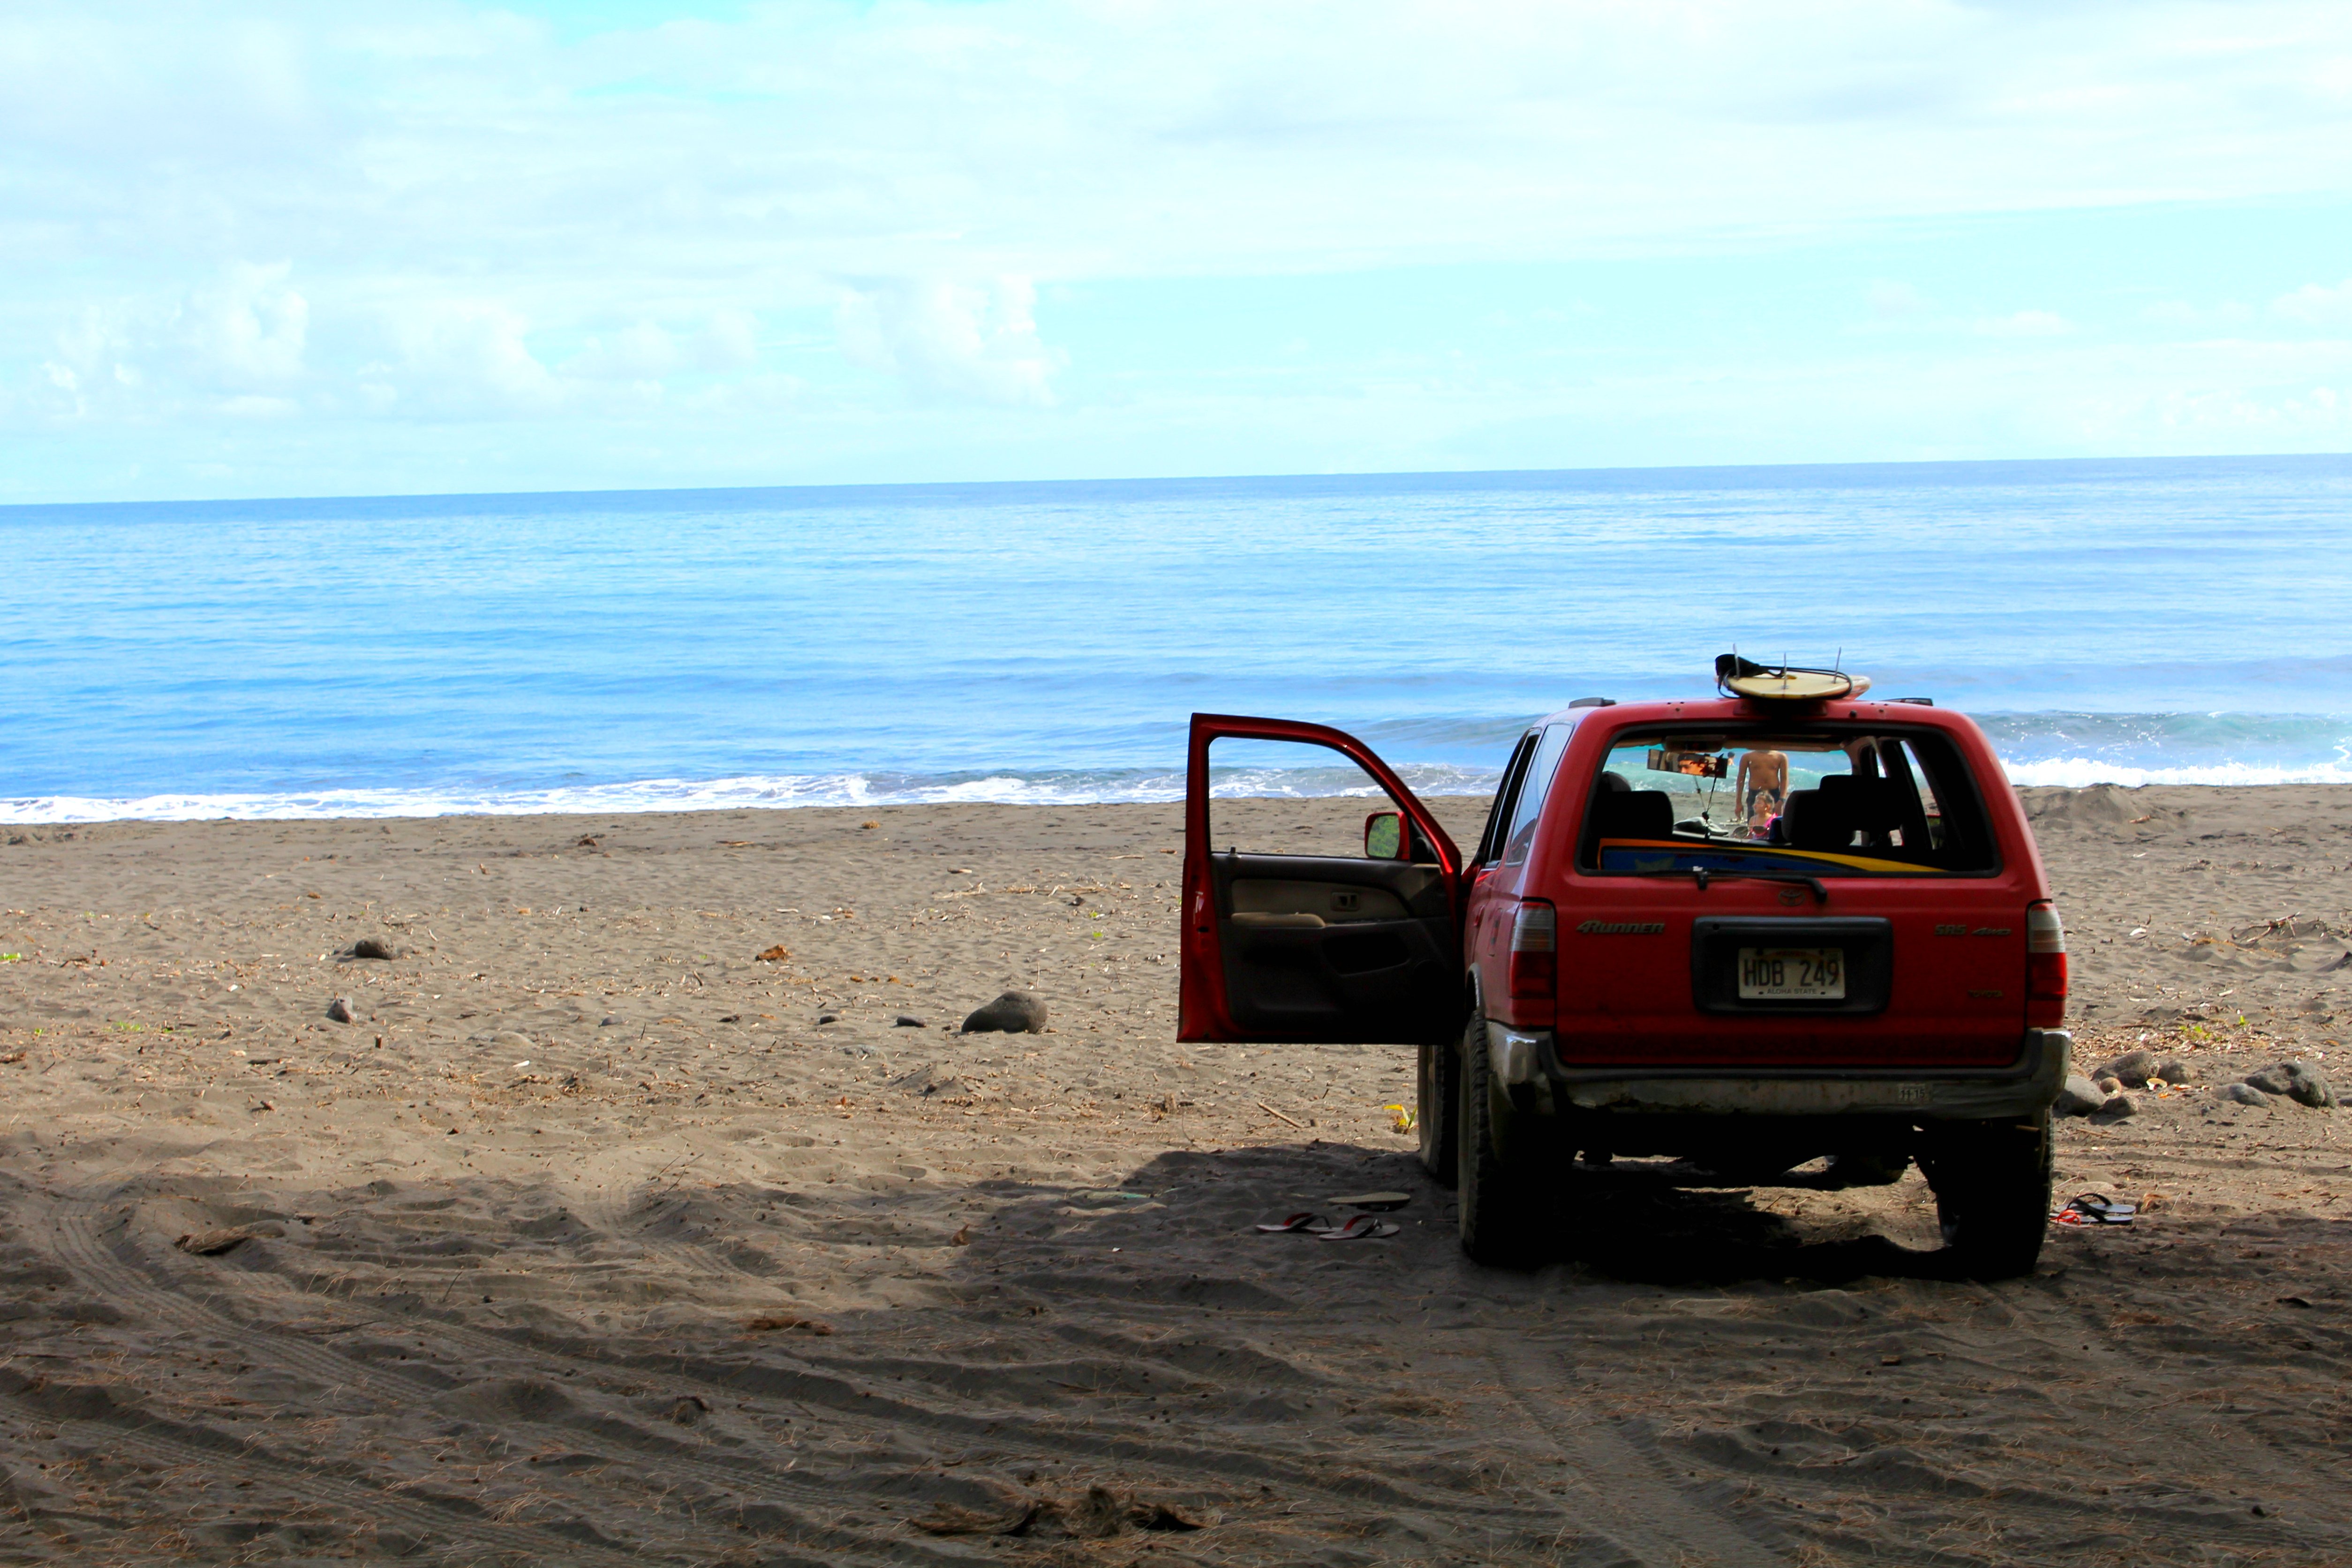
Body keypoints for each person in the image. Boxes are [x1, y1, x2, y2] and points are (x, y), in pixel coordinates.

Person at [1735, 748, 1787, 838]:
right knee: (1753, 826)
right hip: (1754, 793)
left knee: (1776, 826)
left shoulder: (1780, 757)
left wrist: (1782, 799)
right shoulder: (1748, 757)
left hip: (1774, 793)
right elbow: (1741, 779)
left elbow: (1784, 779)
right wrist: (1738, 803)